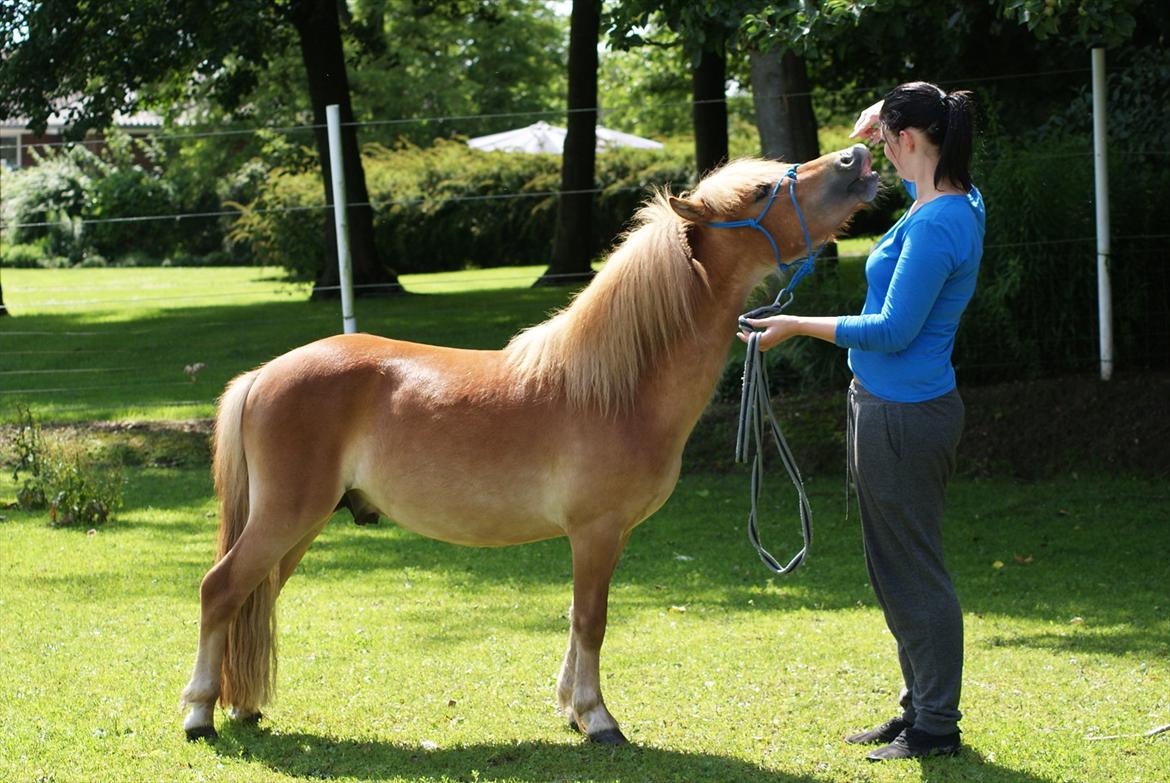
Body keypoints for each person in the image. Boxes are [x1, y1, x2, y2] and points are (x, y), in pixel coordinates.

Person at [739, 81, 984, 761]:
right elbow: (926, 164)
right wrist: (888, 116)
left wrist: (793, 324)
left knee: (914, 570)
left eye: (889, 144)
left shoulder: (939, 223)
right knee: (894, 567)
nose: (881, 157)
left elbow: (893, 328)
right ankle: (918, 707)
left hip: (904, 417)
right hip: (890, 410)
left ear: (911, 141)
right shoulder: (947, 200)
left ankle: (937, 724)